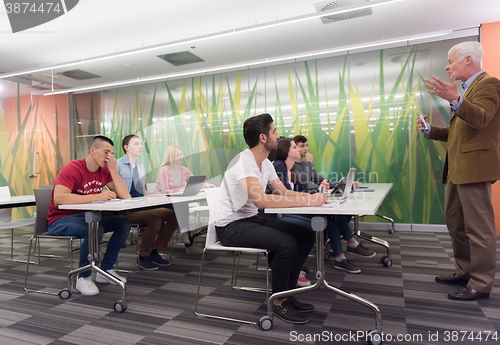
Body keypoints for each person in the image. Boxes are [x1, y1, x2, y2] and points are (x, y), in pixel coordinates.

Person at [215, 113, 327, 324]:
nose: (278, 135)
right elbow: (261, 201)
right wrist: (310, 202)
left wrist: (313, 197)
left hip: (250, 219)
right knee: (285, 243)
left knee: (304, 234)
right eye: (274, 131)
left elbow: (283, 192)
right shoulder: (243, 162)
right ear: (263, 138)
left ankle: (287, 292)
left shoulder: (265, 163)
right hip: (230, 227)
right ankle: (277, 302)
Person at [419, 41, 500, 301]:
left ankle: (481, 284)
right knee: (456, 224)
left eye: (450, 61)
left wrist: (454, 99)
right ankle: (465, 271)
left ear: (467, 60)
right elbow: (459, 132)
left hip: (474, 169)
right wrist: (431, 131)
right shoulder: (468, 90)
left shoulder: (489, 84)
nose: (446, 66)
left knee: (479, 228)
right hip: (457, 168)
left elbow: (481, 118)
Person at [269, 138, 375, 275]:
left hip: (291, 208)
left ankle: (342, 254)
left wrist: (317, 191)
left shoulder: (291, 168)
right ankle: (343, 252)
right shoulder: (279, 166)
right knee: (329, 217)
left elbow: (300, 190)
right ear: (286, 151)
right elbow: (285, 194)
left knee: (332, 215)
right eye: (296, 147)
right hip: (279, 213)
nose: (301, 149)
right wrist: (314, 190)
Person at [47, 135, 131, 296]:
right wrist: (96, 197)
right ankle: (83, 277)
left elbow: (125, 195)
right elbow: (59, 198)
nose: (109, 157)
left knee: (123, 223)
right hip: (60, 220)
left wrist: (113, 169)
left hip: (85, 216)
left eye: (112, 154)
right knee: (95, 229)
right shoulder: (73, 169)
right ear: (93, 150)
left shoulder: (104, 171)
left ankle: (105, 269)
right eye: (106, 152)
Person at [116, 135, 179, 270]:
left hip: (141, 204)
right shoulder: (117, 165)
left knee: (175, 215)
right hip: (126, 209)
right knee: (155, 220)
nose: (141, 147)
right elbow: (112, 189)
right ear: (126, 147)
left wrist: (157, 195)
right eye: (136, 144)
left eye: (141, 144)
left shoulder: (140, 165)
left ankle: (155, 251)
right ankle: (143, 256)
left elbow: (141, 191)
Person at [155, 145, 214, 254]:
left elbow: (195, 183)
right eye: (177, 155)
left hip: (177, 201)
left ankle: (185, 235)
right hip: (162, 202)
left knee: (182, 204)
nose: (181, 157)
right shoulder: (164, 170)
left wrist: (205, 184)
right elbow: (165, 191)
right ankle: (186, 239)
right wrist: (181, 189)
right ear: (171, 156)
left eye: (181, 154)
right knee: (182, 205)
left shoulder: (185, 170)